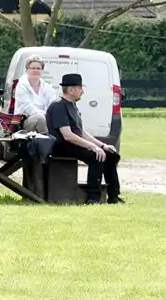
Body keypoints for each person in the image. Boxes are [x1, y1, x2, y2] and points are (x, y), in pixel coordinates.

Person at [46, 74, 124, 205]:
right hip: (61, 146)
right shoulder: (58, 106)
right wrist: (93, 147)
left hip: (72, 144)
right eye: (80, 87)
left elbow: (81, 132)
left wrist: (103, 145)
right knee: (96, 156)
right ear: (71, 90)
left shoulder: (73, 106)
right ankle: (93, 198)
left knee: (111, 155)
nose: (82, 91)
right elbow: (67, 135)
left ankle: (114, 196)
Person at [14, 57, 58, 133]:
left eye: (38, 68)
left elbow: (53, 107)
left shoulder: (48, 88)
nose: (36, 70)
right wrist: (46, 115)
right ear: (27, 70)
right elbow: (27, 108)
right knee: (40, 118)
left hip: (46, 120)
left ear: (42, 71)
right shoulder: (21, 86)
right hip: (24, 121)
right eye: (32, 68)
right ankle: (49, 141)